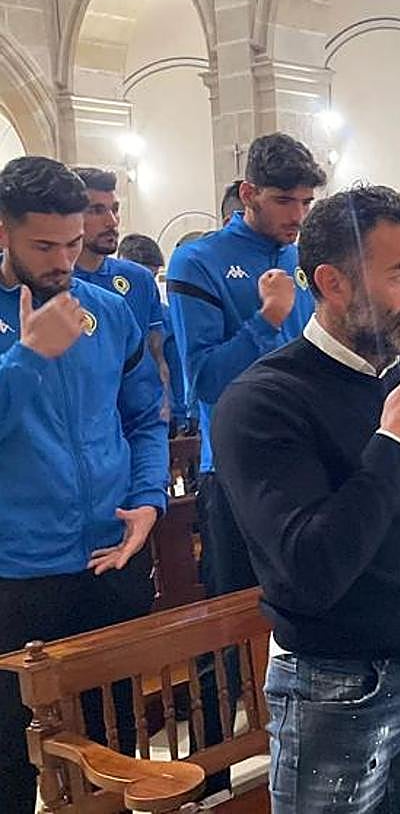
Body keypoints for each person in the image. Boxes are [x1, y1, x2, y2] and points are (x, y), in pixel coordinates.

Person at [212, 184, 400, 813]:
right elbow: (309, 572)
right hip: (338, 684)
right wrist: (392, 443)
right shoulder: (262, 401)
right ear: (334, 282)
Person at [0, 156, 167, 812]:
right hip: (17, 571)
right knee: (10, 752)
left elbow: (144, 418)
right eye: (45, 246)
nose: (65, 260)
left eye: (73, 243)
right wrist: (26, 359)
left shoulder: (107, 310)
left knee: (113, 733)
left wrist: (150, 501)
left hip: (111, 554)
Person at [167, 132, 325, 597]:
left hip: (309, 455)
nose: (297, 216)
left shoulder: (305, 256)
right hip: (240, 465)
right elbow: (206, 380)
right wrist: (267, 318)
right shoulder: (198, 260)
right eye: (283, 200)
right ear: (248, 193)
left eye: (306, 202)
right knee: (239, 614)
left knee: (308, 598)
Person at [71, 168, 170, 415]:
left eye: (114, 209)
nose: (111, 221)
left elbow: (157, 354)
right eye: (96, 210)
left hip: (136, 415)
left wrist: (165, 409)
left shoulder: (138, 280)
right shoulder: (53, 283)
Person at [119, 233, 191, 435]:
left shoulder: (165, 316)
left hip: (156, 413)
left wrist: (179, 415)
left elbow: (174, 367)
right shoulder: (105, 312)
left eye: (152, 278)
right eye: (141, 278)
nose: (148, 287)